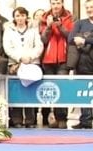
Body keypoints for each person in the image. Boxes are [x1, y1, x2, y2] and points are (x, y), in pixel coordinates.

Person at [3, 7, 44, 128]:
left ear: (26, 16)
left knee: (30, 90)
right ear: (14, 18)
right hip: (15, 64)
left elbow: (39, 46)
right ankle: (17, 119)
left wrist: (30, 57)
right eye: (17, 16)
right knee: (16, 90)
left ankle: (30, 119)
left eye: (22, 15)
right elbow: (7, 47)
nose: (20, 18)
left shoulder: (33, 30)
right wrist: (20, 58)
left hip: (31, 63)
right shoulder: (9, 31)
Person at [39, 0, 74, 128]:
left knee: (62, 88)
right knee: (50, 89)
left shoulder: (70, 18)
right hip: (48, 60)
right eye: (53, 3)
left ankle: (62, 118)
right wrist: (49, 27)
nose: (56, 6)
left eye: (58, 3)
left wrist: (60, 26)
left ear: (62, 3)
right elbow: (43, 39)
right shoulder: (43, 19)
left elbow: (71, 37)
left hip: (63, 59)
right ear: (50, 4)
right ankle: (51, 118)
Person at [69, 0, 93, 129]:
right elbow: (71, 39)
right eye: (88, 7)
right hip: (83, 63)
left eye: (92, 7)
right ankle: (86, 121)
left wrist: (85, 40)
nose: (90, 9)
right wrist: (79, 40)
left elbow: (81, 40)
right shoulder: (80, 23)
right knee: (85, 91)